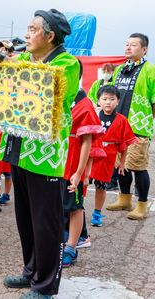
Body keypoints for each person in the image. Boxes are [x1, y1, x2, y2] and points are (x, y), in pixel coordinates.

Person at [0, 9, 79, 298]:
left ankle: (45, 286)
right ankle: (31, 272)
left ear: (50, 35)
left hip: (46, 157)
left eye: (33, 29)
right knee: (26, 220)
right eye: (27, 29)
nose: (26, 34)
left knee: (46, 225)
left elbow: (40, 83)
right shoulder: (26, 60)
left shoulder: (67, 63)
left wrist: (1, 59)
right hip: (19, 150)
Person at [107, 33, 155, 220]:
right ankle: (124, 199)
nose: (128, 48)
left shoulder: (150, 70)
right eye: (127, 44)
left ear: (144, 50)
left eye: (133, 45)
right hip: (119, 126)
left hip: (138, 127)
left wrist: (149, 122)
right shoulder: (120, 70)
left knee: (138, 166)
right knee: (121, 166)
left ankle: (142, 204)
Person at [61, 84, 104, 268]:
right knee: (60, 206)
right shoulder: (59, 98)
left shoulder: (84, 104)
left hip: (72, 168)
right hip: (55, 165)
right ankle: (63, 242)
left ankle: (71, 248)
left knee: (74, 207)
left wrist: (80, 173)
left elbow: (88, 142)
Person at [89, 85, 137, 227]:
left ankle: (97, 213)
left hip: (106, 159)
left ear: (118, 101)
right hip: (89, 157)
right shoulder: (93, 115)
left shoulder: (121, 120)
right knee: (81, 185)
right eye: (104, 99)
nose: (108, 102)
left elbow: (124, 144)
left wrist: (122, 163)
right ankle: (76, 211)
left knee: (101, 187)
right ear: (98, 101)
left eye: (112, 99)